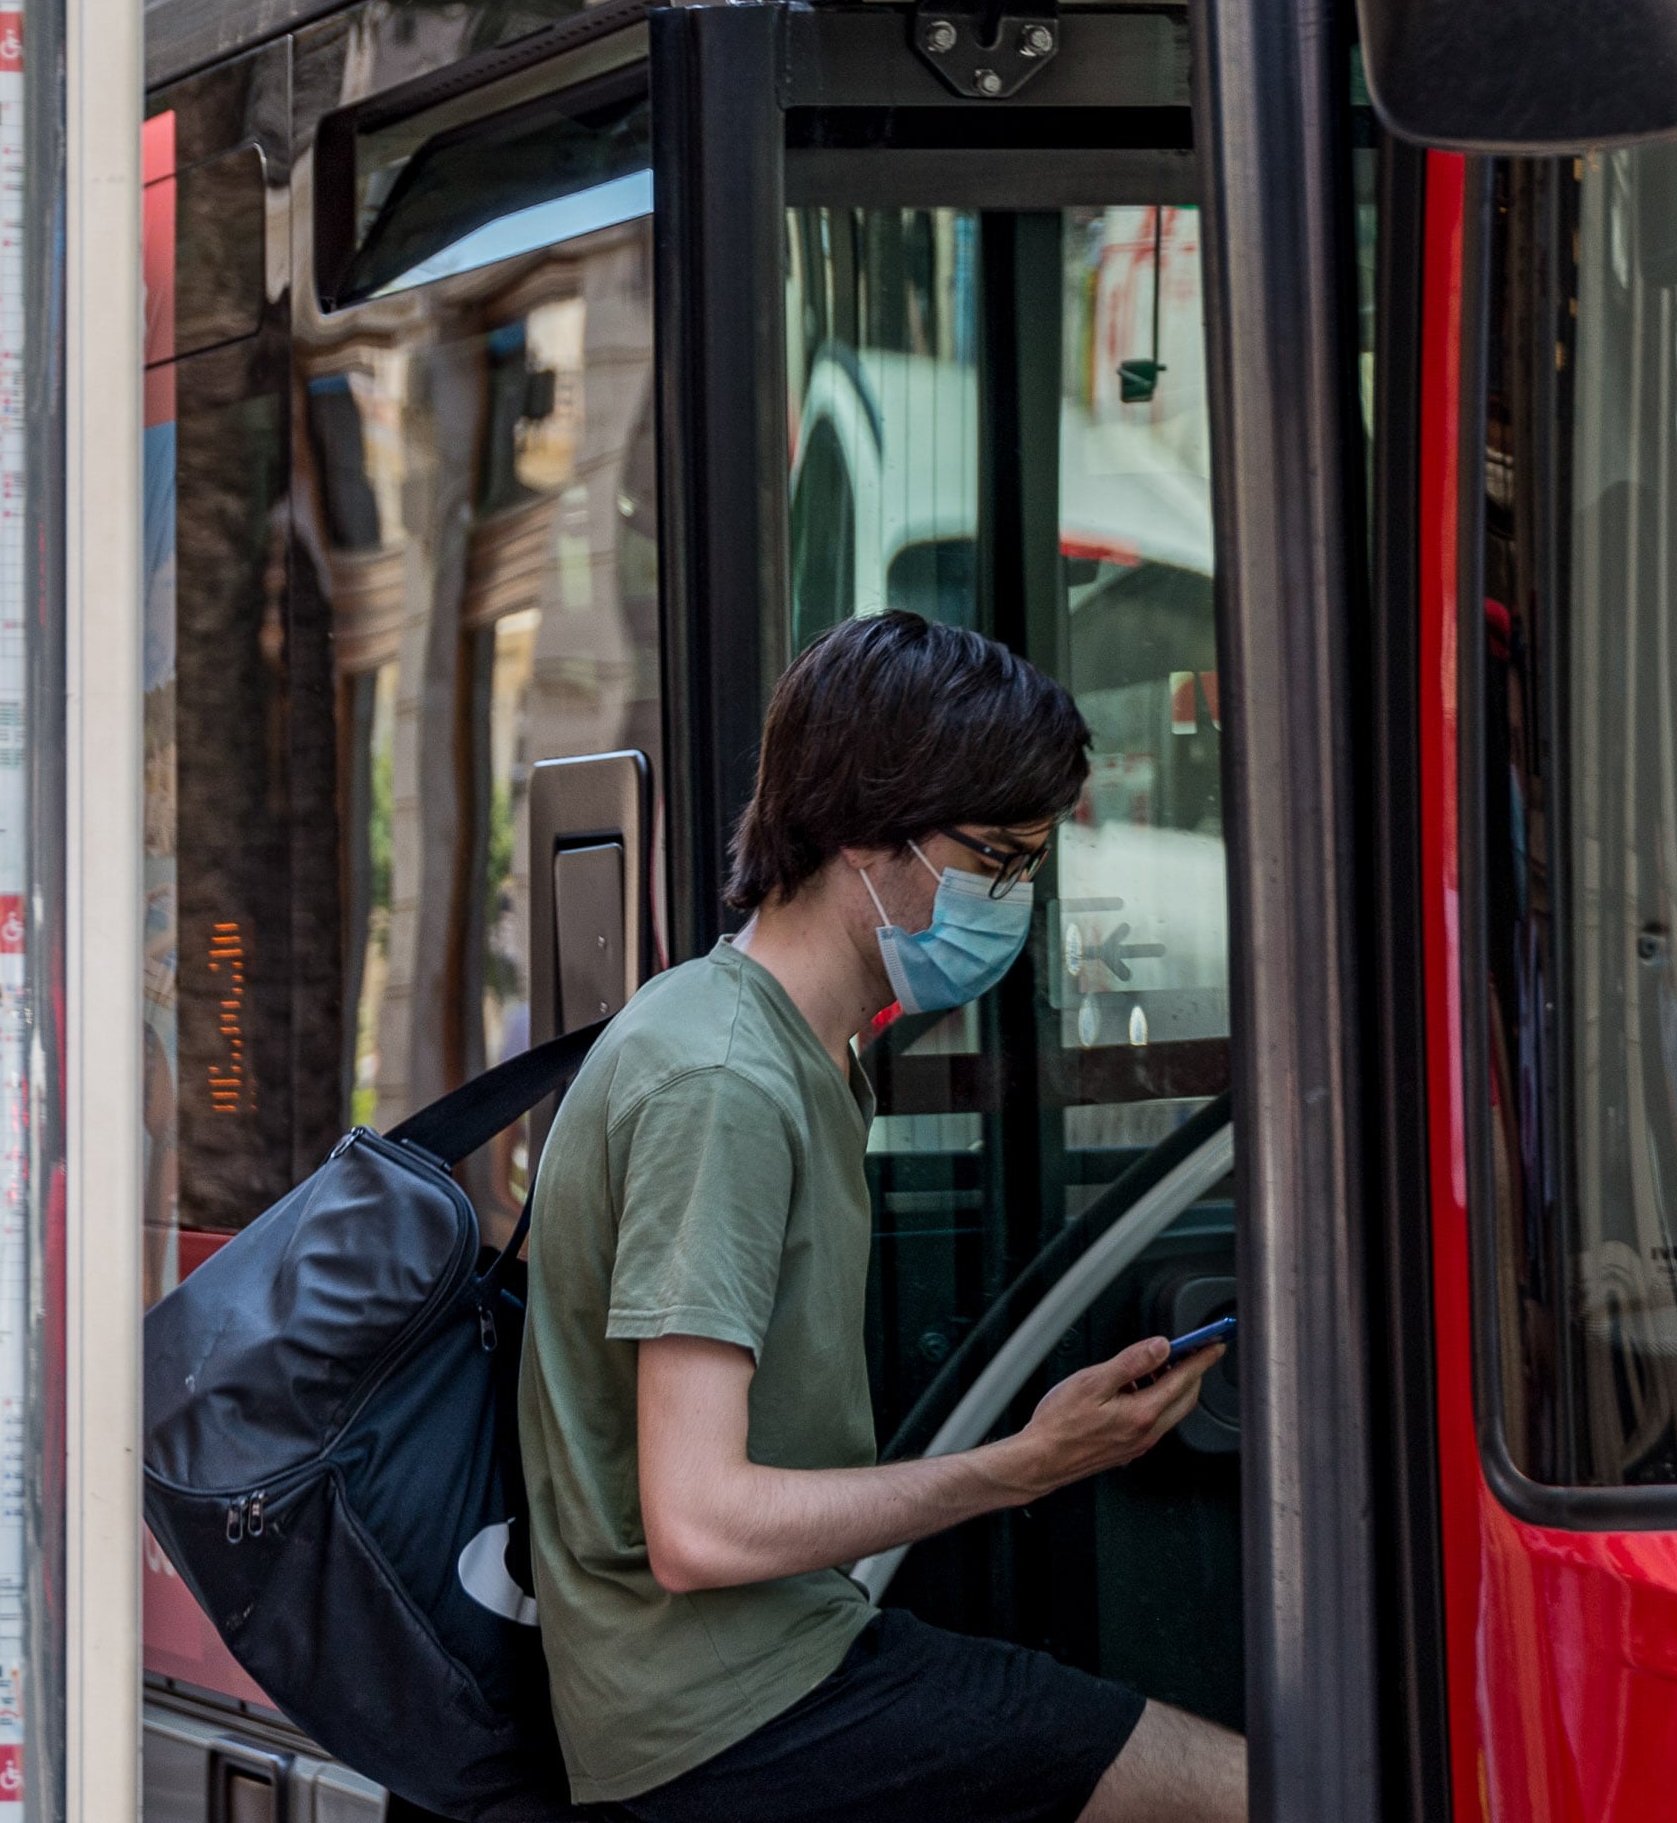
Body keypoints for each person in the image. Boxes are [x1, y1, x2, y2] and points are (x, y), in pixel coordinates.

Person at [520, 610, 1240, 1823]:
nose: (1016, 902)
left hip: (770, 1663)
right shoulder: (723, 1082)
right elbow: (696, 1522)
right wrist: (1019, 1469)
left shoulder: (782, 1046)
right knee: (1244, 1789)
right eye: (997, 863)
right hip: (724, 1714)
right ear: (869, 840)